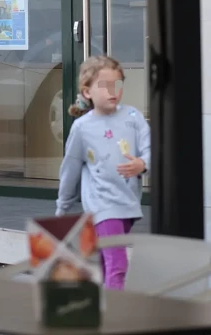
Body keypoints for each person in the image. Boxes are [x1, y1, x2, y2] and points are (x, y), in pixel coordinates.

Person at [56, 55, 150, 290]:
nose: (113, 92)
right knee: (117, 265)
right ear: (87, 92)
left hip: (128, 204)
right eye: (105, 86)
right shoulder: (82, 127)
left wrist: (142, 164)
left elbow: (151, 150)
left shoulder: (133, 117)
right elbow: (71, 169)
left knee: (107, 264)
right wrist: (62, 207)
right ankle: (113, 320)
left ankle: (100, 309)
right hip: (101, 207)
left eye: (117, 85)